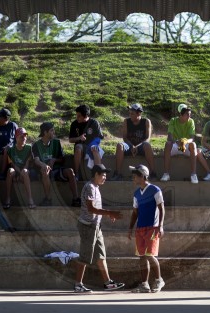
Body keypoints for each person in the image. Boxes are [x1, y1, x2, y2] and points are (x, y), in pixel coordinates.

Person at [74, 164, 125, 293]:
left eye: (105, 176)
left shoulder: (96, 187)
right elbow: (91, 209)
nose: (104, 178)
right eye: (103, 175)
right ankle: (78, 284)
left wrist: (107, 215)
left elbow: (95, 209)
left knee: (101, 255)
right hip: (87, 226)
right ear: (96, 174)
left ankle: (108, 283)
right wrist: (109, 213)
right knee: (85, 256)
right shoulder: (90, 187)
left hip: (96, 226)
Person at [128, 164, 165, 293]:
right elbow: (135, 212)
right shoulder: (136, 193)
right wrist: (130, 228)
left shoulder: (155, 190)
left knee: (150, 255)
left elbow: (161, 208)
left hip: (152, 228)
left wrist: (160, 225)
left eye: (135, 175)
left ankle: (159, 280)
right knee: (142, 257)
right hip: (140, 229)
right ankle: (144, 284)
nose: (133, 178)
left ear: (143, 176)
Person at [32, 122, 81, 207]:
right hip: (44, 172)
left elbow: (62, 159)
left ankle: (76, 199)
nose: (54, 132)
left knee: (70, 171)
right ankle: (48, 199)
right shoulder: (36, 145)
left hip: (57, 170)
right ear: (45, 132)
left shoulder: (56, 143)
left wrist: (54, 160)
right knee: (45, 171)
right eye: (51, 130)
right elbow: (36, 161)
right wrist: (44, 165)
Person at [110, 103, 157, 181]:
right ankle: (117, 173)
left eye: (132, 113)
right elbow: (124, 137)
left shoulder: (146, 121)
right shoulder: (126, 121)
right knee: (119, 145)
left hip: (141, 146)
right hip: (129, 146)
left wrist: (137, 146)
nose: (130, 115)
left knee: (147, 145)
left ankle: (153, 173)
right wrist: (131, 146)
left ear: (139, 113)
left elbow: (147, 138)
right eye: (130, 113)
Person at [160, 104, 202, 184]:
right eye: (187, 115)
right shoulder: (173, 120)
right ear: (181, 115)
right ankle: (166, 174)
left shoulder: (191, 121)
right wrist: (177, 141)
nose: (189, 117)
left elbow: (192, 138)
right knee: (168, 144)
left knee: (193, 145)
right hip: (176, 145)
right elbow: (169, 137)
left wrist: (185, 141)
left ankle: (193, 174)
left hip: (186, 145)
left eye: (190, 114)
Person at [68, 104, 104, 180]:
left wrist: (92, 145)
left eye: (79, 116)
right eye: (76, 115)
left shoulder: (94, 123)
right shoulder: (74, 124)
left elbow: (99, 138)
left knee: (95, 149)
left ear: (85, 115)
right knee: (78, 147)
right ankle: (76, 174)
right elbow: (70, 140)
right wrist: (79, 138)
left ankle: (99, 174)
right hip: (81, 146)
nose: (77, 118)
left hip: (92, 145)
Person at [4, 127, 35, 209]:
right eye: (21, 136)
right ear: (16, 138)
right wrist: (19, 173)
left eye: (25, 136)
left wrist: (21, 174)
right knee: (10, 170)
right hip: (16, 171)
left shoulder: (29, 148)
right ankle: (8, 198)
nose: (24, 138)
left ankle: (30, 199)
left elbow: (27, 163)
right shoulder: (11, 150)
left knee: (25, 171)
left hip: (25, 172)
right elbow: (13, 164)